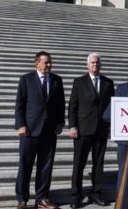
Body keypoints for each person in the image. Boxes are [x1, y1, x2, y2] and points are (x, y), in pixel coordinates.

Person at [14, 51, 65, 209]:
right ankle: (22, 199)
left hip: (49, 131)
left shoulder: (57, 80)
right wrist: (20, 124)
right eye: (46, 62)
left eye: (50, 62)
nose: (49, 65)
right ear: (37, 63)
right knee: (25, 164)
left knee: (45, 166)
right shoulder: (26, 79)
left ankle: (42, 198)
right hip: (29, 130)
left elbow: (61, 104)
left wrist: (60, 122)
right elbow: (19, 104)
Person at [68, 53, 115, 208]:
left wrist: (110, 127)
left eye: (98, 62)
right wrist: (73, 126)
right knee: (79, 164)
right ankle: (76, 195)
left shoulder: (108, 83)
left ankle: (95, 194)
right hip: (82, 130)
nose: (95, 65)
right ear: (87, 65)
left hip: (101, 130)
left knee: (98, 164)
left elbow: (111, 108)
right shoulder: (79, 82)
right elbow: (72, 106)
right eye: (93, 62)